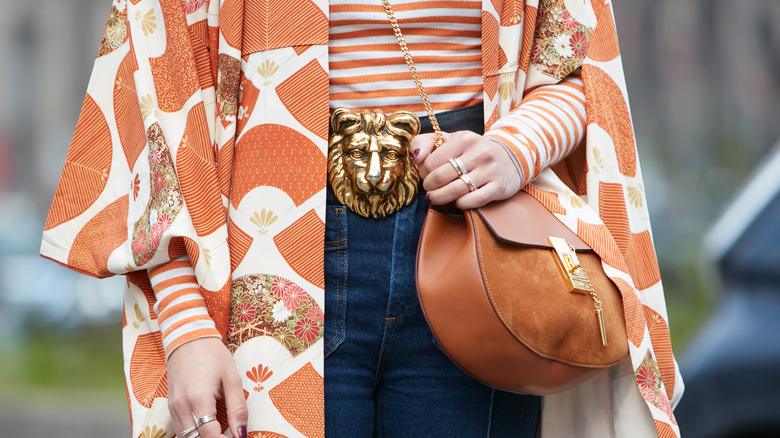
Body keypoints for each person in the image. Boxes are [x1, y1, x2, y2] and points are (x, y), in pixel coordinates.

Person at [41, 0, 683, 437]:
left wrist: (514, 150)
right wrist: (184, 326)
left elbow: (580, 68)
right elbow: (156, 79)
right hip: (263, 261)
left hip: (479, 251)